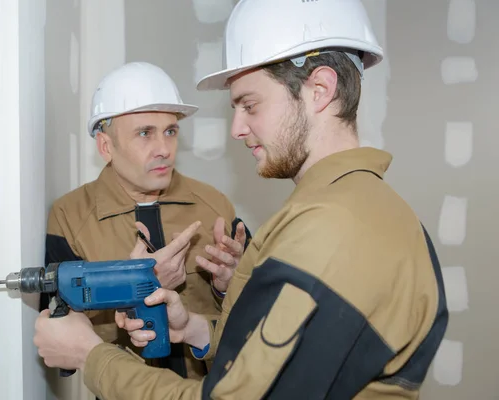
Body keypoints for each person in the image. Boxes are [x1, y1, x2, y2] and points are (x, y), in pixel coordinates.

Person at [33, 0, 449, 399]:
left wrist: (92, 356)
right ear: (106, 146)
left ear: (320, 89)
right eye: (145, 132)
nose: (236, 128)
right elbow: (265, 359)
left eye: (249, 104)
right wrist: (194, 328)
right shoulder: (338, 213)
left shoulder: (329, 230)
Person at [40, 61, 251, 400]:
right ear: (106, 147)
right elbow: (59, 346)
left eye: (170, 131)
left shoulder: (215, 207)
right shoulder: (70, 216)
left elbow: (260, 326)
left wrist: (230, 287)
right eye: (144, 133)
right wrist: (134, 288)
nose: (164, 149)